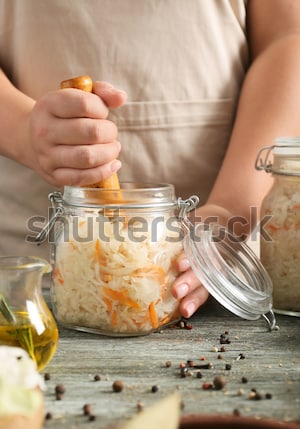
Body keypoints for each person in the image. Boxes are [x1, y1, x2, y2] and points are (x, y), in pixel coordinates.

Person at [0, 0, 300, 319]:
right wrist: (22, 130)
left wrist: (227, 212)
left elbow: (287, 37)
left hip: (228, 274)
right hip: (31, 286)